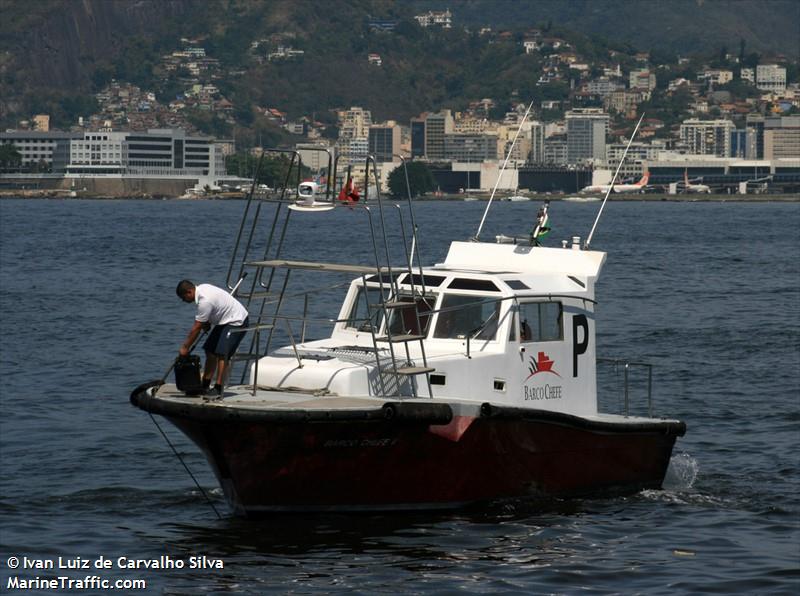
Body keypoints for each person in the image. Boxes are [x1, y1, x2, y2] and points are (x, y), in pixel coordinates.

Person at [176, 280, 249, 396]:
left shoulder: (204, 301)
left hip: (236, 320)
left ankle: (218, 388)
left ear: (189, 292)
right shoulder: (202, 287)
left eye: (183, 297)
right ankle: (205, 385)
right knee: (210, 351)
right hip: (224, 321)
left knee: (222, 354)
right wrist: (208, 321)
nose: (183, 301)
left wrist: (185, 347)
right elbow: (214, 309)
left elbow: (196, 328)